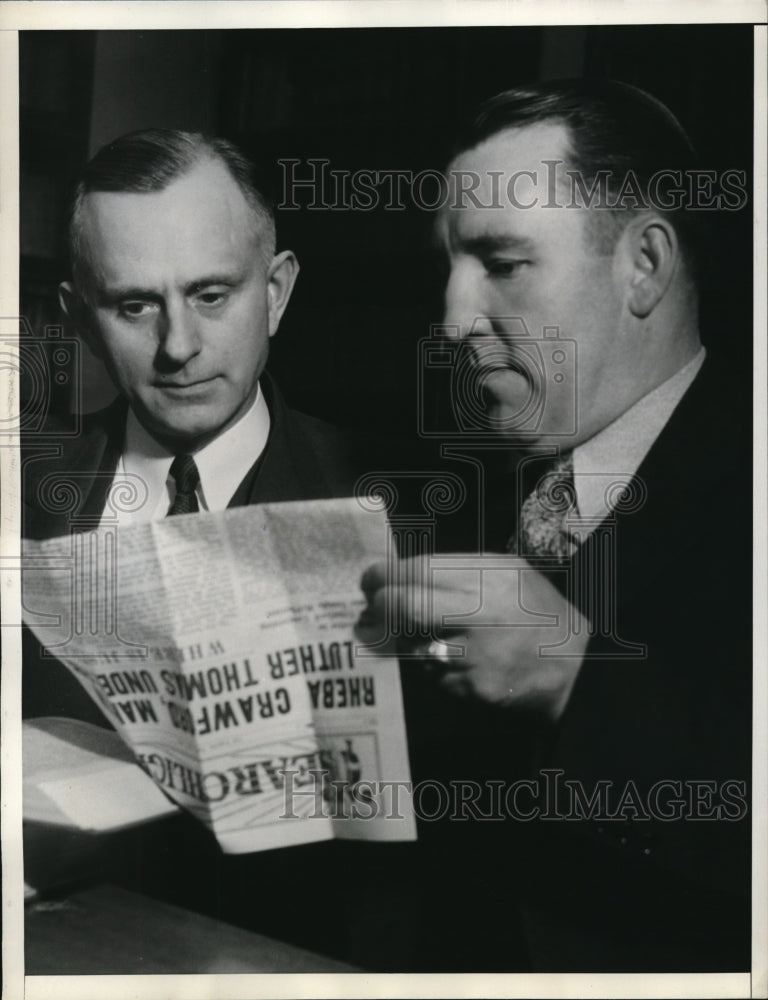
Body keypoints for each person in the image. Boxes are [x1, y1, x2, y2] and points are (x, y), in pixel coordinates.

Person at [357, 80, 751, 972]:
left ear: (644, 264)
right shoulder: (464, 498)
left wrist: (575, 679)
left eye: (502, 263)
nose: (454, 321)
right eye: (449, 268)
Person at [20, 129, 396, 967]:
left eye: (213, 295)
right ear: (77, 319)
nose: (178, 346)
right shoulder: (16, 500)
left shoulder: (401, 509)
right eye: (134, 305)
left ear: (277, 291)